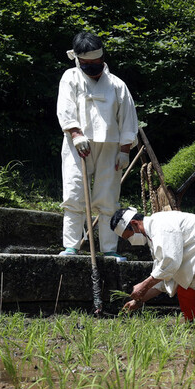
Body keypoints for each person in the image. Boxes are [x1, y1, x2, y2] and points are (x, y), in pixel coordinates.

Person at [57, 31, 138, 261]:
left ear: (103, 59)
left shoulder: (117, 85)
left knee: (108, 198)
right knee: (74, 192)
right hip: (78, 144)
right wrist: (75, 132)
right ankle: (71, 246)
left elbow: (128, 119)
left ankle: (109, 249)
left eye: (97, 63)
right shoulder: (70, 78)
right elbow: (65, 108)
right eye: (87, 64)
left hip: (111, 148)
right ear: (78, 60)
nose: (93, 67)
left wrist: (124, 151)